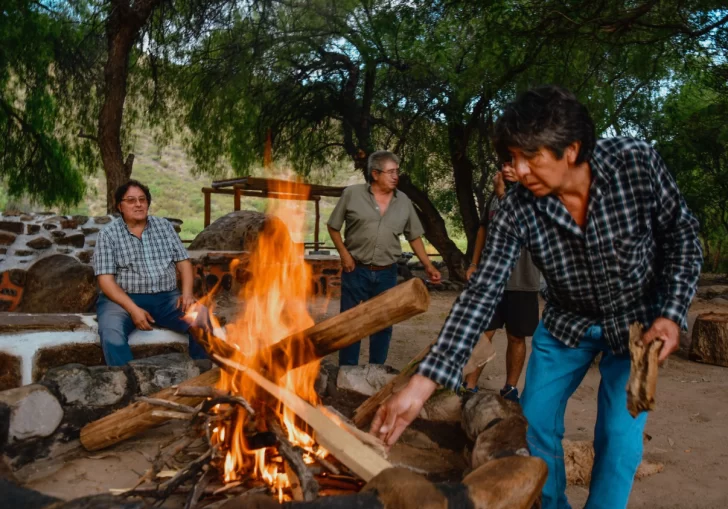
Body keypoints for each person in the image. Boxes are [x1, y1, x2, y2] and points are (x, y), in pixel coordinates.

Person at [371, 86, 702, 509]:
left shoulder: (635, 162)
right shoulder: (516, 210)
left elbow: (682, 236)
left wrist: (672, 314)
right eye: (512, 159)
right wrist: (423, 382)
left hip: (641, 324)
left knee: (620, 436)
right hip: (567, 324)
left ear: (572, 149)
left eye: (532, 158)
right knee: (534, 424)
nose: (519, 171)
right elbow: (481, 293)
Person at [327, 150, 442, 366]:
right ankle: (347, 371)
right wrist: (344, 255)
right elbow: (333, 227)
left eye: (397, 171)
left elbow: (414, 236)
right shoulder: (352, 194)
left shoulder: (404, 201)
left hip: (387, 273)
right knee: (350, 322)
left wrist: (428, 265)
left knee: (383, 323)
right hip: (355, 270)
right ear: (375, 174)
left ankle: (376, 369)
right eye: (391, 172)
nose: (396, 176)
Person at [93, 179, 208, 366]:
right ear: (120, 206)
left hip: (167, 298)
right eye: (130, 200)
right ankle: (128, 384)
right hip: (122, 300)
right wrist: (133, 309)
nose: (138, 204)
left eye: (142, 199)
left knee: (202, 318)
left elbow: (184, 263)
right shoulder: (108, 234)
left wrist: (187, 294)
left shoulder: (164, 227)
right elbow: (105, 280)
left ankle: (200, 373)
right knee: (111, 333)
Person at [462, 167, 540, 401]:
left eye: (512, 164)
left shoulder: (536, 194)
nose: (506, 168)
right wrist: (474, 263)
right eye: (504, 164)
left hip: (522, 280)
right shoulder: (494, 197)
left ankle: (510, 388)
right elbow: (483, 229)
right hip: (491, 278)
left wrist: (502, 196)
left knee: (517, 336)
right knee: (484, 332)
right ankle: (470, 384)